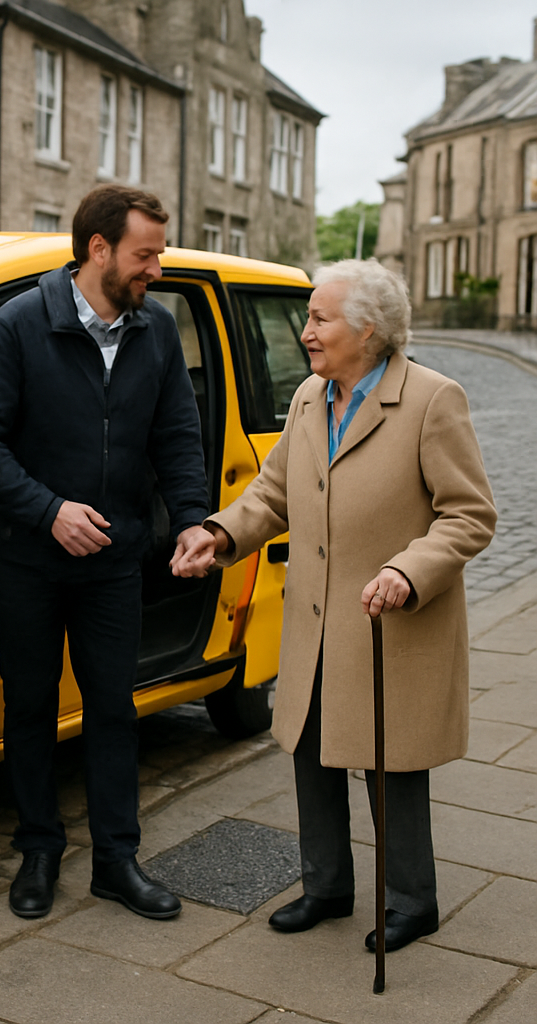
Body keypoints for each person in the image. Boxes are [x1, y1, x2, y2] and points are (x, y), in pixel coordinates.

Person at [175, 258, 496, 952]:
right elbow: (272, 495)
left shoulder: (432, 400)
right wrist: (219, 532)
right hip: (315, 623)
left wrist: (410, 572)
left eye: (320, 319)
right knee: (310, 752)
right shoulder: (308, 398)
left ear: (369, 330)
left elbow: (469, 515)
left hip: (390, 621)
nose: (308, 332)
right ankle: (326, 886)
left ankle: (413, 900)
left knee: (392, 761)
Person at [0, 185, 217, 920]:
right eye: (145, 254)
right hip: (23, 559)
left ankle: (116, 862)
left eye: (157, 254)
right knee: (31, 706)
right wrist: (48, 512)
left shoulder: (156, 331)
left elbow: (177, 437)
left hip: (112, 561)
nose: (155, 269)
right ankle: (38, 851)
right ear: (98, 248)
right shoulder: (17, 326)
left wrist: (192, 518)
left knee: (113, 709)